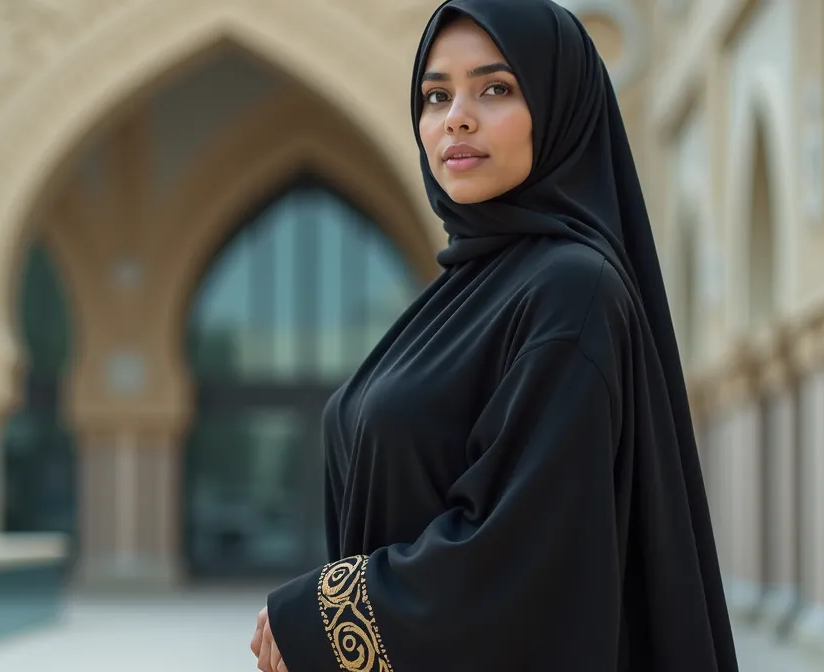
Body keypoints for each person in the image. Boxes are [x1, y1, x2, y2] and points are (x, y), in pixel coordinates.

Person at [250, 0, 739, 669]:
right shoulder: (463, 293)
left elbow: (525, 558)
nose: (457, 116)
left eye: (496, 88)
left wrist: (321, 616)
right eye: (435, 95)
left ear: (559, 107)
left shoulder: (571, 289)